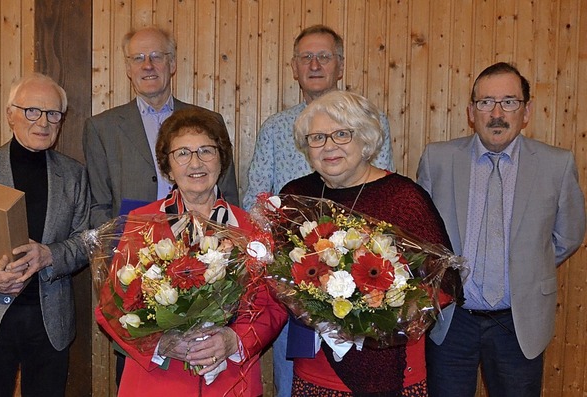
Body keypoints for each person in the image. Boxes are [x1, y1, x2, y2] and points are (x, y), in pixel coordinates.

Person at [242, 25, 394, 396]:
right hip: (296, 287)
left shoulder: (370, 122)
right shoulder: (276, 128)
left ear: (339, 66)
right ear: (294, 68)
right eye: (305, 57)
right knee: (293, 385)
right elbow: (253, 203)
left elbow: (382, 199)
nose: (314, 64)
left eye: (323, 56)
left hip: (359, 283)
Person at [417, 62, 586, 396]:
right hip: (452, 319)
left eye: (509, 102)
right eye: (485, 103)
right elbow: (422, 237)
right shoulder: (438, 160)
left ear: (526, 111)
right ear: (471, 111)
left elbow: (568, 237)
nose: (497, 113)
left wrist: (527, 270)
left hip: (518, 323)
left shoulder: (556, 164)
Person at [83, 26, 240, 382]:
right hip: (139, 271)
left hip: (207, 265)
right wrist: (118, 273)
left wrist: (228, 264)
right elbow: (98, 204)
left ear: (172, 64)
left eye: (157, 56)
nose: (148, 64)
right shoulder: (101, 127)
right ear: (127, 67)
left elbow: (228, 194)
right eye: (138, 58)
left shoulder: (207, 120)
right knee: (148, 376)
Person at [95, 108, 287, 396]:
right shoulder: (139, 223)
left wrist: (235, 340)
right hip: (156, 382)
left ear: (221, 160)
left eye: (206, 151)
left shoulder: (250, 228)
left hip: (232, 382)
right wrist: (162, 343)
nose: (195, 163)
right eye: (182, 153)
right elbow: (111, 307)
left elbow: (273, 305)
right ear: (168, 167)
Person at [279, 90, 457, 396]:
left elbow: (445, 282)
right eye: (317, 137)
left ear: (366, 139)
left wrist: (385, 313)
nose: (329, 146)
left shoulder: (404, 198)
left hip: (394, 363)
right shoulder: (296, 196)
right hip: (319, 369)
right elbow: (279, 274)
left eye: (342, 134)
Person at [0, 73, 90, 396]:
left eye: (53, 114)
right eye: (32, 111)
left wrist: (51, 254)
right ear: (10, 114)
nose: (43, 122)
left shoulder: (74, 174)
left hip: (49, 322)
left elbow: (86, 241)